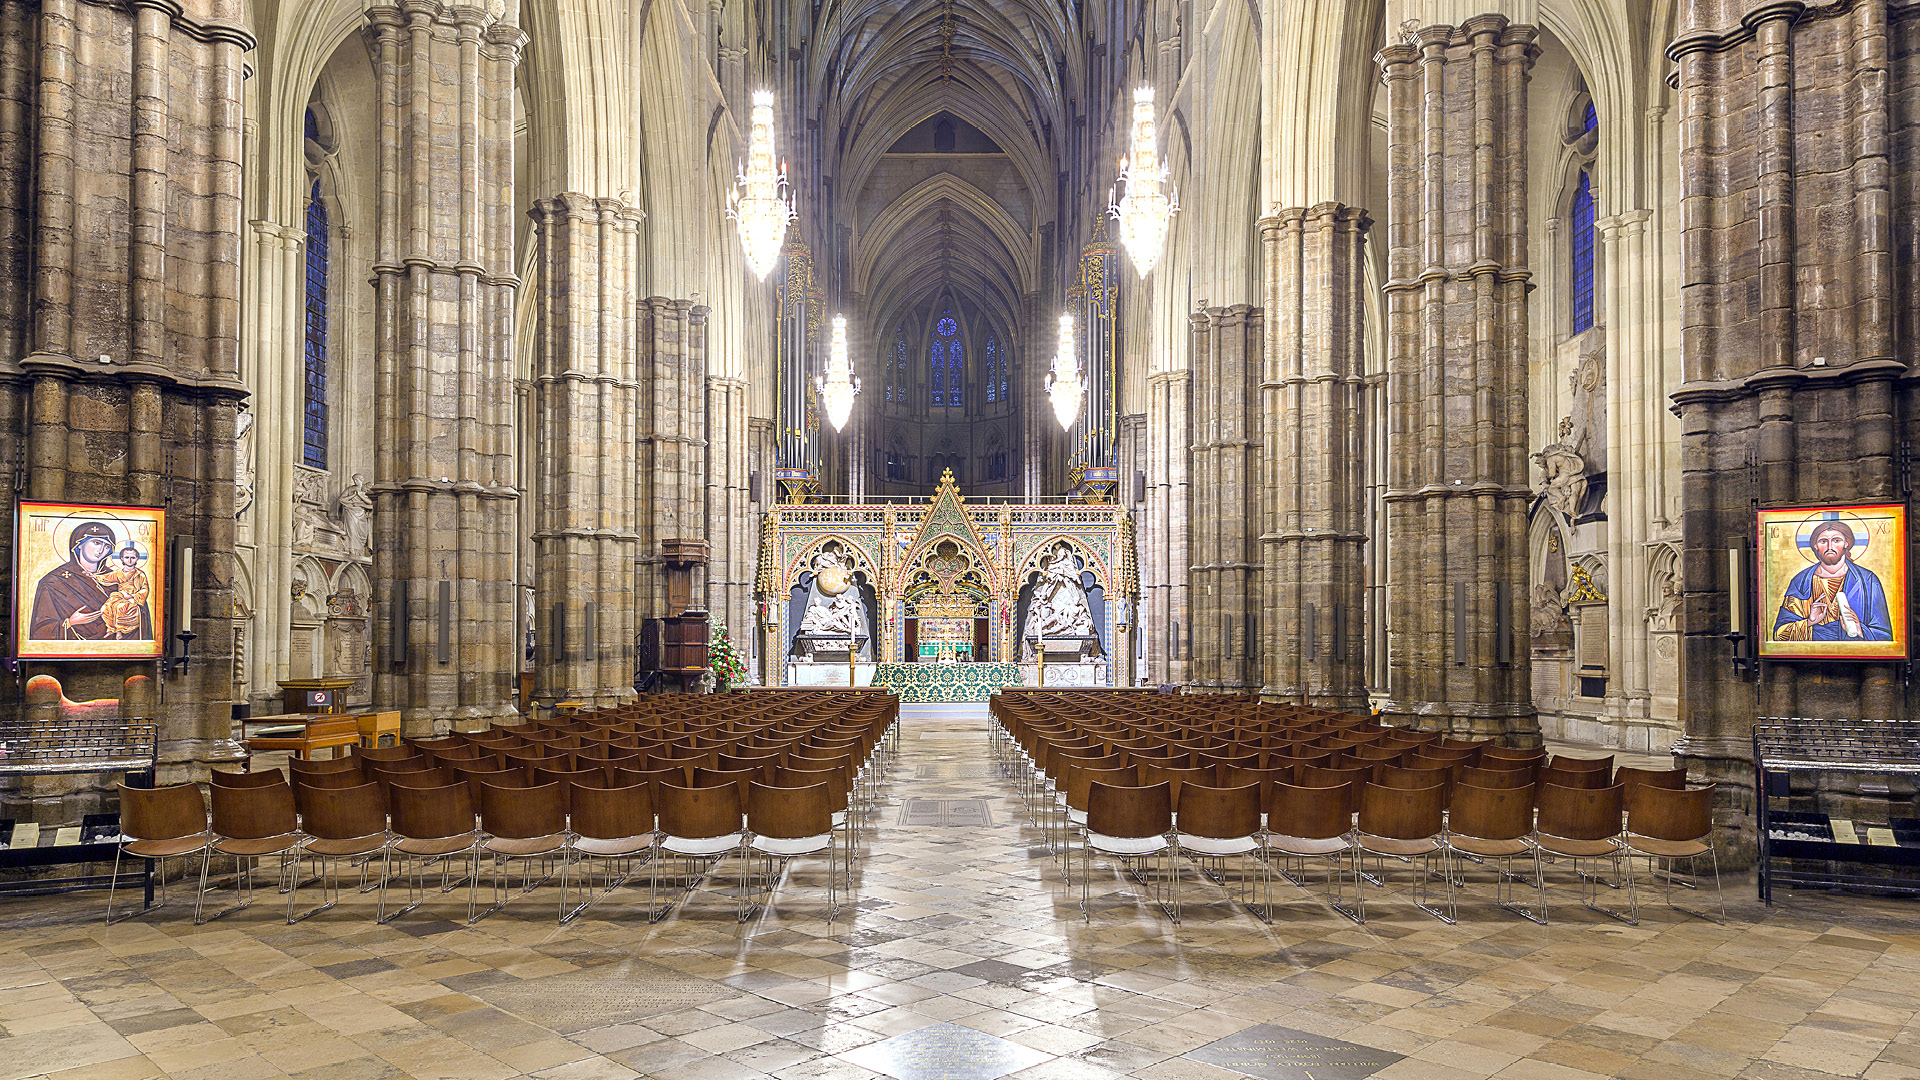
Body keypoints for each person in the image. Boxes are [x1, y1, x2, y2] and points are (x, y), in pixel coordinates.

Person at [1773, 518, 1893, 642]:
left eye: (1836, 540)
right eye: (1823, 541)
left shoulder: (1867, 581)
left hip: (1854, 652)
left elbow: (1884, 636)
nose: (1830, 547)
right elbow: (1779, 635)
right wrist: (1809, 622)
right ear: (1815, 545)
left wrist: (1860, 630)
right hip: (1812, 651)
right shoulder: (1801, 582)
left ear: (1846, 543)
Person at [28, 522, 118, 640]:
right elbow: (39, 630)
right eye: (96, 543)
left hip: (112, 645)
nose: (101, 550)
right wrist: (69, 622)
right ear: (79, 544)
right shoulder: (53, 581)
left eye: (107, 546)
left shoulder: (117, 579)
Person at [95, 544, 154, 639]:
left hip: (134, 599)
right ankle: (111, 629)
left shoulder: (140, 575)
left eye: (132, 557)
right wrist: (94, 576)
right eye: (126, 557)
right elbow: (107, 577)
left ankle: (119, 631)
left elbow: (145, 589)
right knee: (105, 608)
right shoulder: (119, 573)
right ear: (122, 559)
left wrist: (132, 596)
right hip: (120, 596)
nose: (129, 560)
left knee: (120, 608)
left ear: (137, 559)